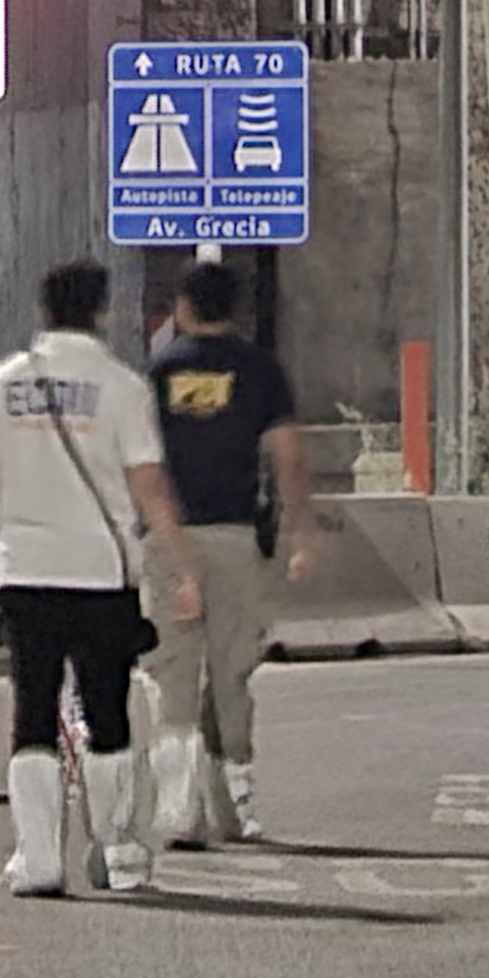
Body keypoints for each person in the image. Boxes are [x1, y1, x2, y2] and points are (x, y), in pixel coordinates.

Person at [0, 260, 200, 897]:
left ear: (42, 312)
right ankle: (116, 851)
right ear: (102, 313)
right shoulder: (122, 387)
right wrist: (180, 568)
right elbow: (149, 487)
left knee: (32, 711)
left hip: (24, 573)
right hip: (101, 573)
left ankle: (38, 858)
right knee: (106, 710)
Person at [143, 261, 316, 844]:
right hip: (238, 538)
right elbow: (287, 456)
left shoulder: (159, 370)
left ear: (183, 309)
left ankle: (176, 805)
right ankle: (234, 806)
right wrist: (301, 534)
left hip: (169, 540)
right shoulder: (261, 371)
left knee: (173, 673)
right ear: (236, 310)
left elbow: (141, 469)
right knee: (231, 672)